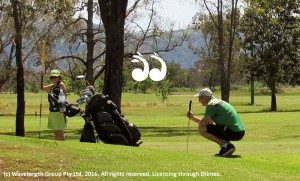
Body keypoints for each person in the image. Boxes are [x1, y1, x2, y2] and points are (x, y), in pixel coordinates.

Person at [186, 88, 245, 157]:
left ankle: (226, 146)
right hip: (238, 132)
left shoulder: (211, 104)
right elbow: (210, 123)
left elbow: (203, 124)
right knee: (209, 128)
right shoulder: (217, 102)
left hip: (233, 132)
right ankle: (227, 146)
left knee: (201, 129)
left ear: (204, 97)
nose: (199, 100)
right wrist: (193, 118)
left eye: (200, 98)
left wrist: (193, 118)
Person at [41, 70, 67, 141]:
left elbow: (63, 97)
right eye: (52, 77)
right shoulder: (52, 86)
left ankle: (62, 146)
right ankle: (57, 146)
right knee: (55, 131)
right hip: (53, 111)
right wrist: (42, 77)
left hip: (60, 111)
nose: (54, 79)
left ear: (59, 77)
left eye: (56, 77)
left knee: (60, 132)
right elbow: (42, 88)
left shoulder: (61, 84)